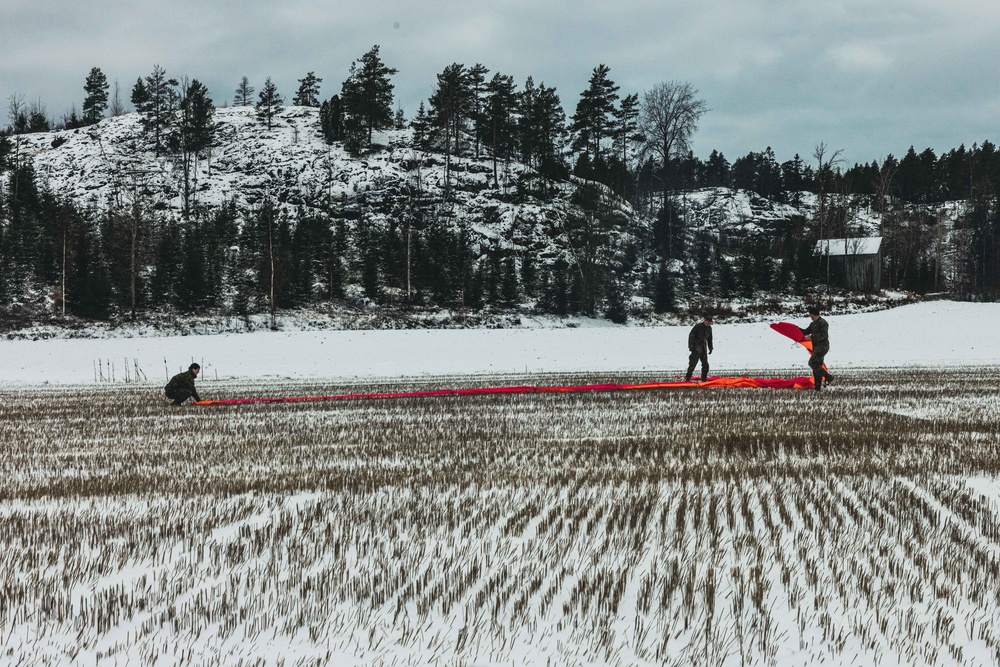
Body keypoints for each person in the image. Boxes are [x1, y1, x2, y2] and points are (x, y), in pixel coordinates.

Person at [799, 306, 833, 391]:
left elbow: (823, 335)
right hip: (817, 347)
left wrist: (811, 337)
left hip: (822, 346)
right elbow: (805, 331)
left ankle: (828, 377)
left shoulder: (823, 323)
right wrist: (796, 329)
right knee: (816, 365)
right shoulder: (813, 324)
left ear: (813, 314)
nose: (810, 316)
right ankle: (817, 387)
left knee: (812, 362)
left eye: (810, 315)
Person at [685, 316, 714, 382]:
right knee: (692, 364)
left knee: (705, 364)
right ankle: (687, 378)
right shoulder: (698, 326)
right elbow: (691, 336)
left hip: (703, 348)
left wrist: (710, 347)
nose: (707, 323)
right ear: (704, 320)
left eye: (709, 323)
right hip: (696, 348)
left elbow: (710, 339)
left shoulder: (709, 329)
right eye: (707, 322)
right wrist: (691, 347)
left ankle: (704, 378)